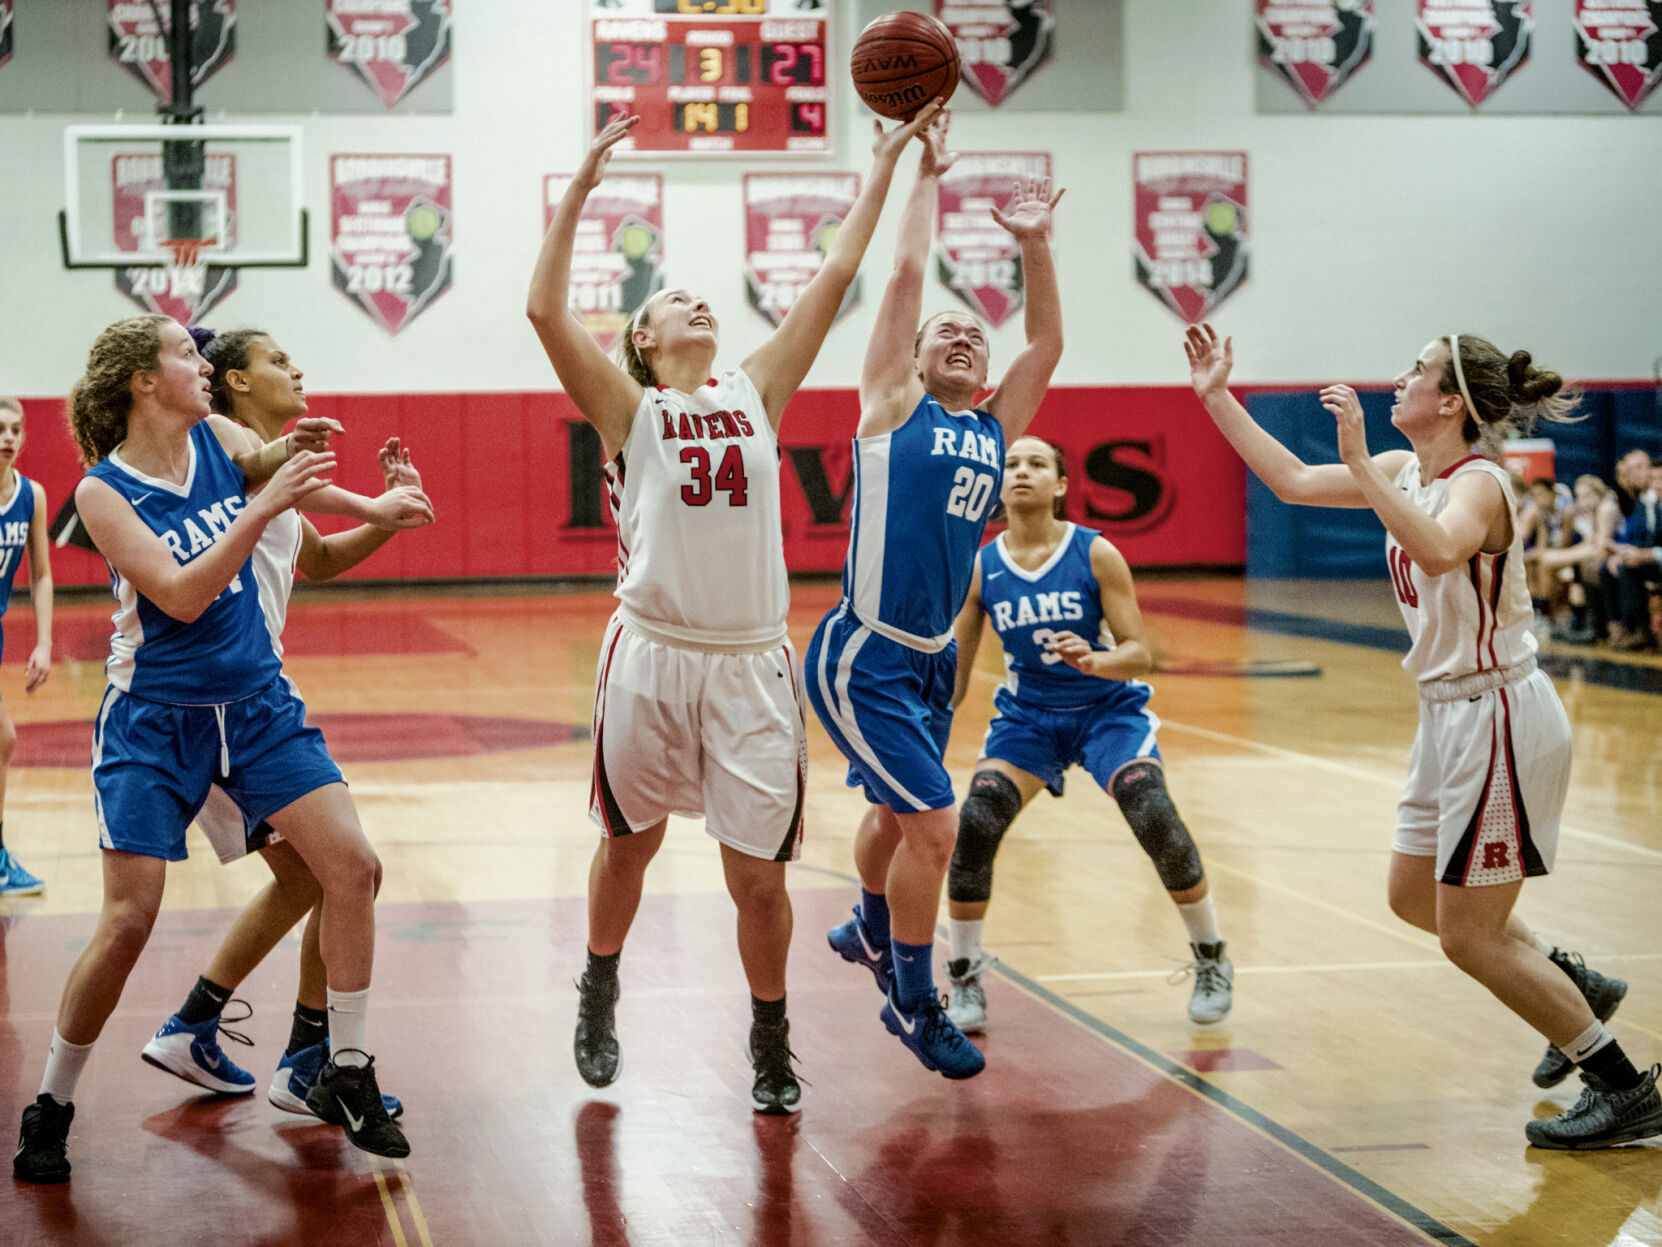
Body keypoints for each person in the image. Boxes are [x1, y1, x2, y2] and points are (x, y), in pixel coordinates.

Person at [526, 103, 943, 1115]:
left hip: (752, 660)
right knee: (630, 844)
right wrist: (579, 187)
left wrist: (884, 160)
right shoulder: (631, 409)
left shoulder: (756, 390)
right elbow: (543, 313)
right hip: (653, 653)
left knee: (758, 880)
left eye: (701, 295)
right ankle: (599, 982)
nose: (696, 302)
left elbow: (835, 279)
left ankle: (769, 1034)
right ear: (641, 337)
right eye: (674, 299)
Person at [1184, 322, 1660, 1149]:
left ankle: (1622, 1083)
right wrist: (1216, 396)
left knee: (1467, 935)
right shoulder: (1412, 470)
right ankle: (1568, 978)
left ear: (1449, 402)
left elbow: (1439, 552)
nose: (1399, 378)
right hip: (1447, 715)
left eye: (1416, 370)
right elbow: (1294, 480)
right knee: (1411, 897)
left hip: (1500, 712)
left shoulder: (1479, 485)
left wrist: (1364, 460)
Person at [13, 316, 408, 1184]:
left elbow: (271, 475)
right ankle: (52, 1100)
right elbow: (186, 596)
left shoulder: (220, 436)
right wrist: (262, 501)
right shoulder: (101, 494)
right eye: (185, 354)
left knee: (350, 867)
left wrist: (324, 479)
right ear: (142, 382)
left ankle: (344, 1065)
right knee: (128, 920)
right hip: (154, 719)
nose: (203, 361)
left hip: (257, 704)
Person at [805, 113, 1064, 1080]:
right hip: (864, 650)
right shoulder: (891, 408)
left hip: (930, 659)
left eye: (974, 332)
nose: (960, 332)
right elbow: (907, 280)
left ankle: (869, 925)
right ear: (911, 362)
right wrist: (926, 172)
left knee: (890, 817)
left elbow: (1046, 339)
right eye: (942, 334)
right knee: (936, 825)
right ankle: (915, 1001)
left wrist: (1034, 244)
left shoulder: (997, 429)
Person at [135, 327, 431, 1123]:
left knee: (320, 874)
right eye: (275, 361)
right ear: (231, 381)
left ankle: (202, 1024)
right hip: (215, 707)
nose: (296, 368)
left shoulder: (267, 468)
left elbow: (321, 562)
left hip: (251, 699)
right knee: (343, 870)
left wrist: (388, 517)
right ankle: (304, 1059)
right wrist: (374, 502)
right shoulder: (221, 455)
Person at [943, 435, 1232, 1034]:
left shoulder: (1096, 553)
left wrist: (1097, 661)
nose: (1021, 471)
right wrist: (911, 734)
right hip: (1028, 722)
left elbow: (1140, 653)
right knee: (976, 821)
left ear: (1061, 484)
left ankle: (1211, 957)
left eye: (1036, 464)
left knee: (1150, 809)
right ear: (998, 485)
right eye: (1012, 464)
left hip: (1106, 711)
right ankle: (964, 972)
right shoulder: (980, 566)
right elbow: (954, 677)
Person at [0, 397, 54, 897]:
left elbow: (39, 573)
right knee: (3, 738)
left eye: (16, 429)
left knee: (2, 741)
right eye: (0, 429)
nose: (8, 438)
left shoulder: (30, 495)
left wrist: (43, 642)